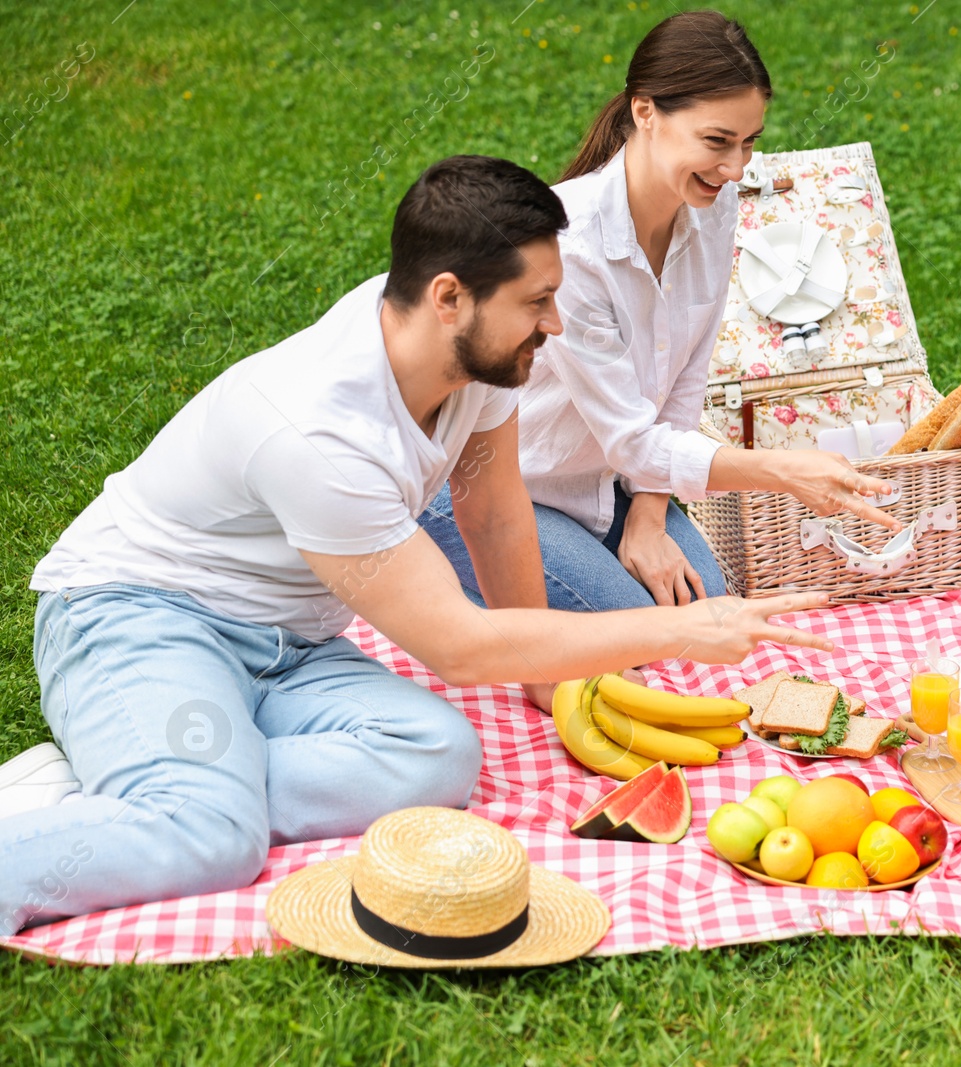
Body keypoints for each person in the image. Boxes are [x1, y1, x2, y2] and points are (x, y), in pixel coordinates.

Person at [0, 155, 832, 936]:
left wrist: (546, 677)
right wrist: (687, 629)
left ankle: (167, 771)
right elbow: (461, 648)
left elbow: (496, 513)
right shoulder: (319, 432)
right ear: (449, 296)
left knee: (438, 755)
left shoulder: (467, 357)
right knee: (215, 840)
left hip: (293, 646)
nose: (557, 321)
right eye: (537, 302)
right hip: (139, 617)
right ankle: (161, 798)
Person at [420, 10, 902, 612]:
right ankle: (438, 555)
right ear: (645, 112)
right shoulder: (571, 247)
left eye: (749, 142)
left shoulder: (712, 206)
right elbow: (631, 438)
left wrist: (648, 516)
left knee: (706, 601)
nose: (735, 170)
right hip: (511, 490)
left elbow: (684, 381)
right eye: (717, 141)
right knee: (637, 626)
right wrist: (782, 471)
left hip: (613, 485)